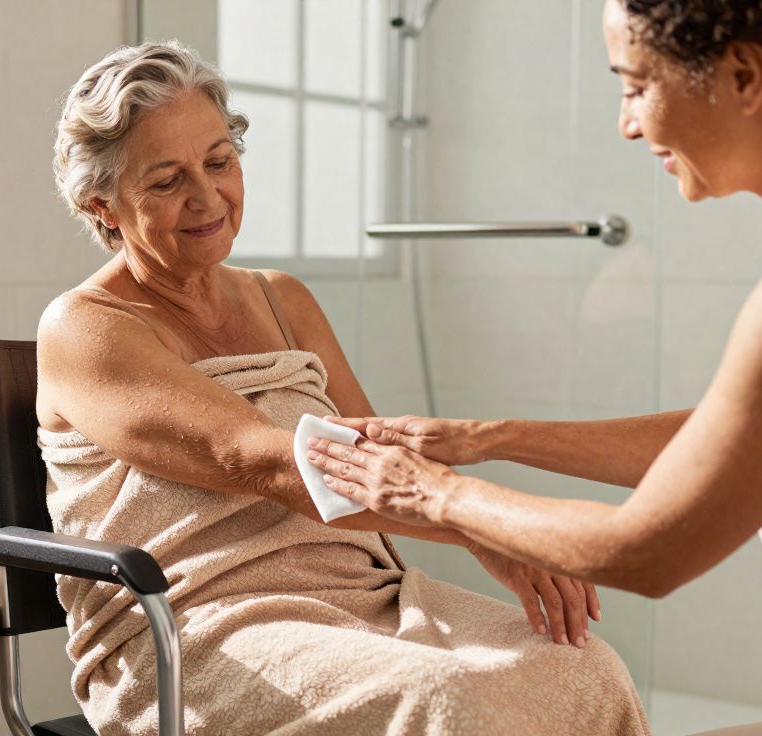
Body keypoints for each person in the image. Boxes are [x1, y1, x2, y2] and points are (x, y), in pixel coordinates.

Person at [37, 40, 649, 735]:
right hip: (199, 626)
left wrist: (484, 522)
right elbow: (257, 457)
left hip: (367, 596)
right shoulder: (85, 328)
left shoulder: (281, 298)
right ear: (103, 204)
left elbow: (377, 444)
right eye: (167, 180)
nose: (207, 197)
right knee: (449, 699)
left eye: (219, 161)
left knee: (587, 666)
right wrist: (483, 526)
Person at [306, 1, 762, 733]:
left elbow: (647, 551)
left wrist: (429, 494)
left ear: (742, 75)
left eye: (635, 86)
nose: (627, 124)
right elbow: (746, 438)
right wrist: (490, 436)